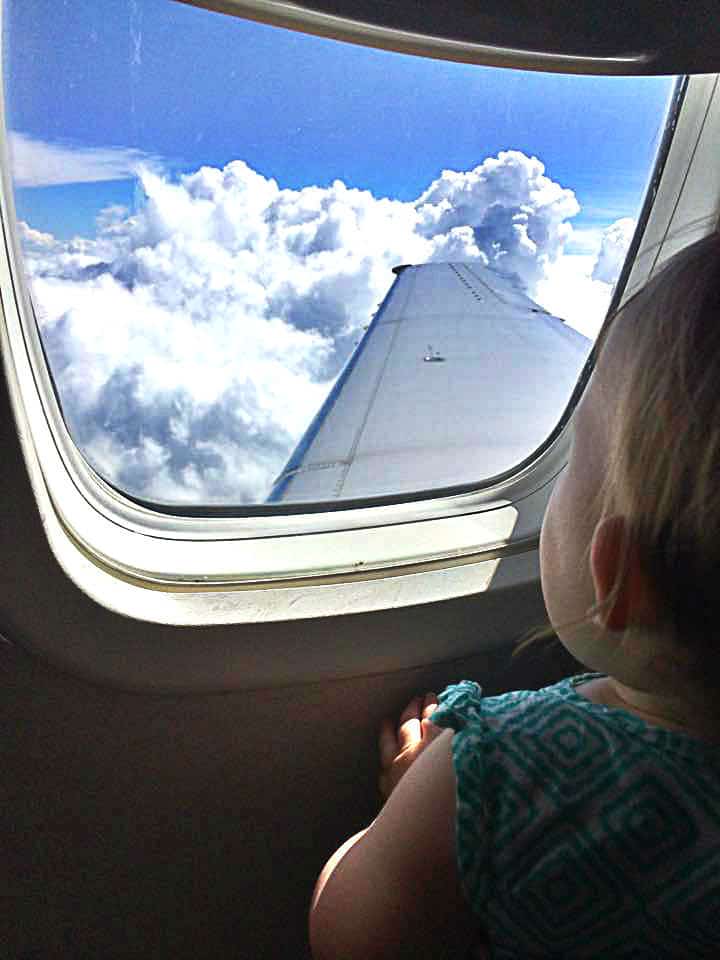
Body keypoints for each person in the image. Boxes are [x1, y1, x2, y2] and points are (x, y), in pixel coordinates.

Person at [308, 235, 720, 959]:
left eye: (569, 466)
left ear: (621, 577)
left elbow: (349, 938)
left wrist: (412, 806)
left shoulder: (497, 774)